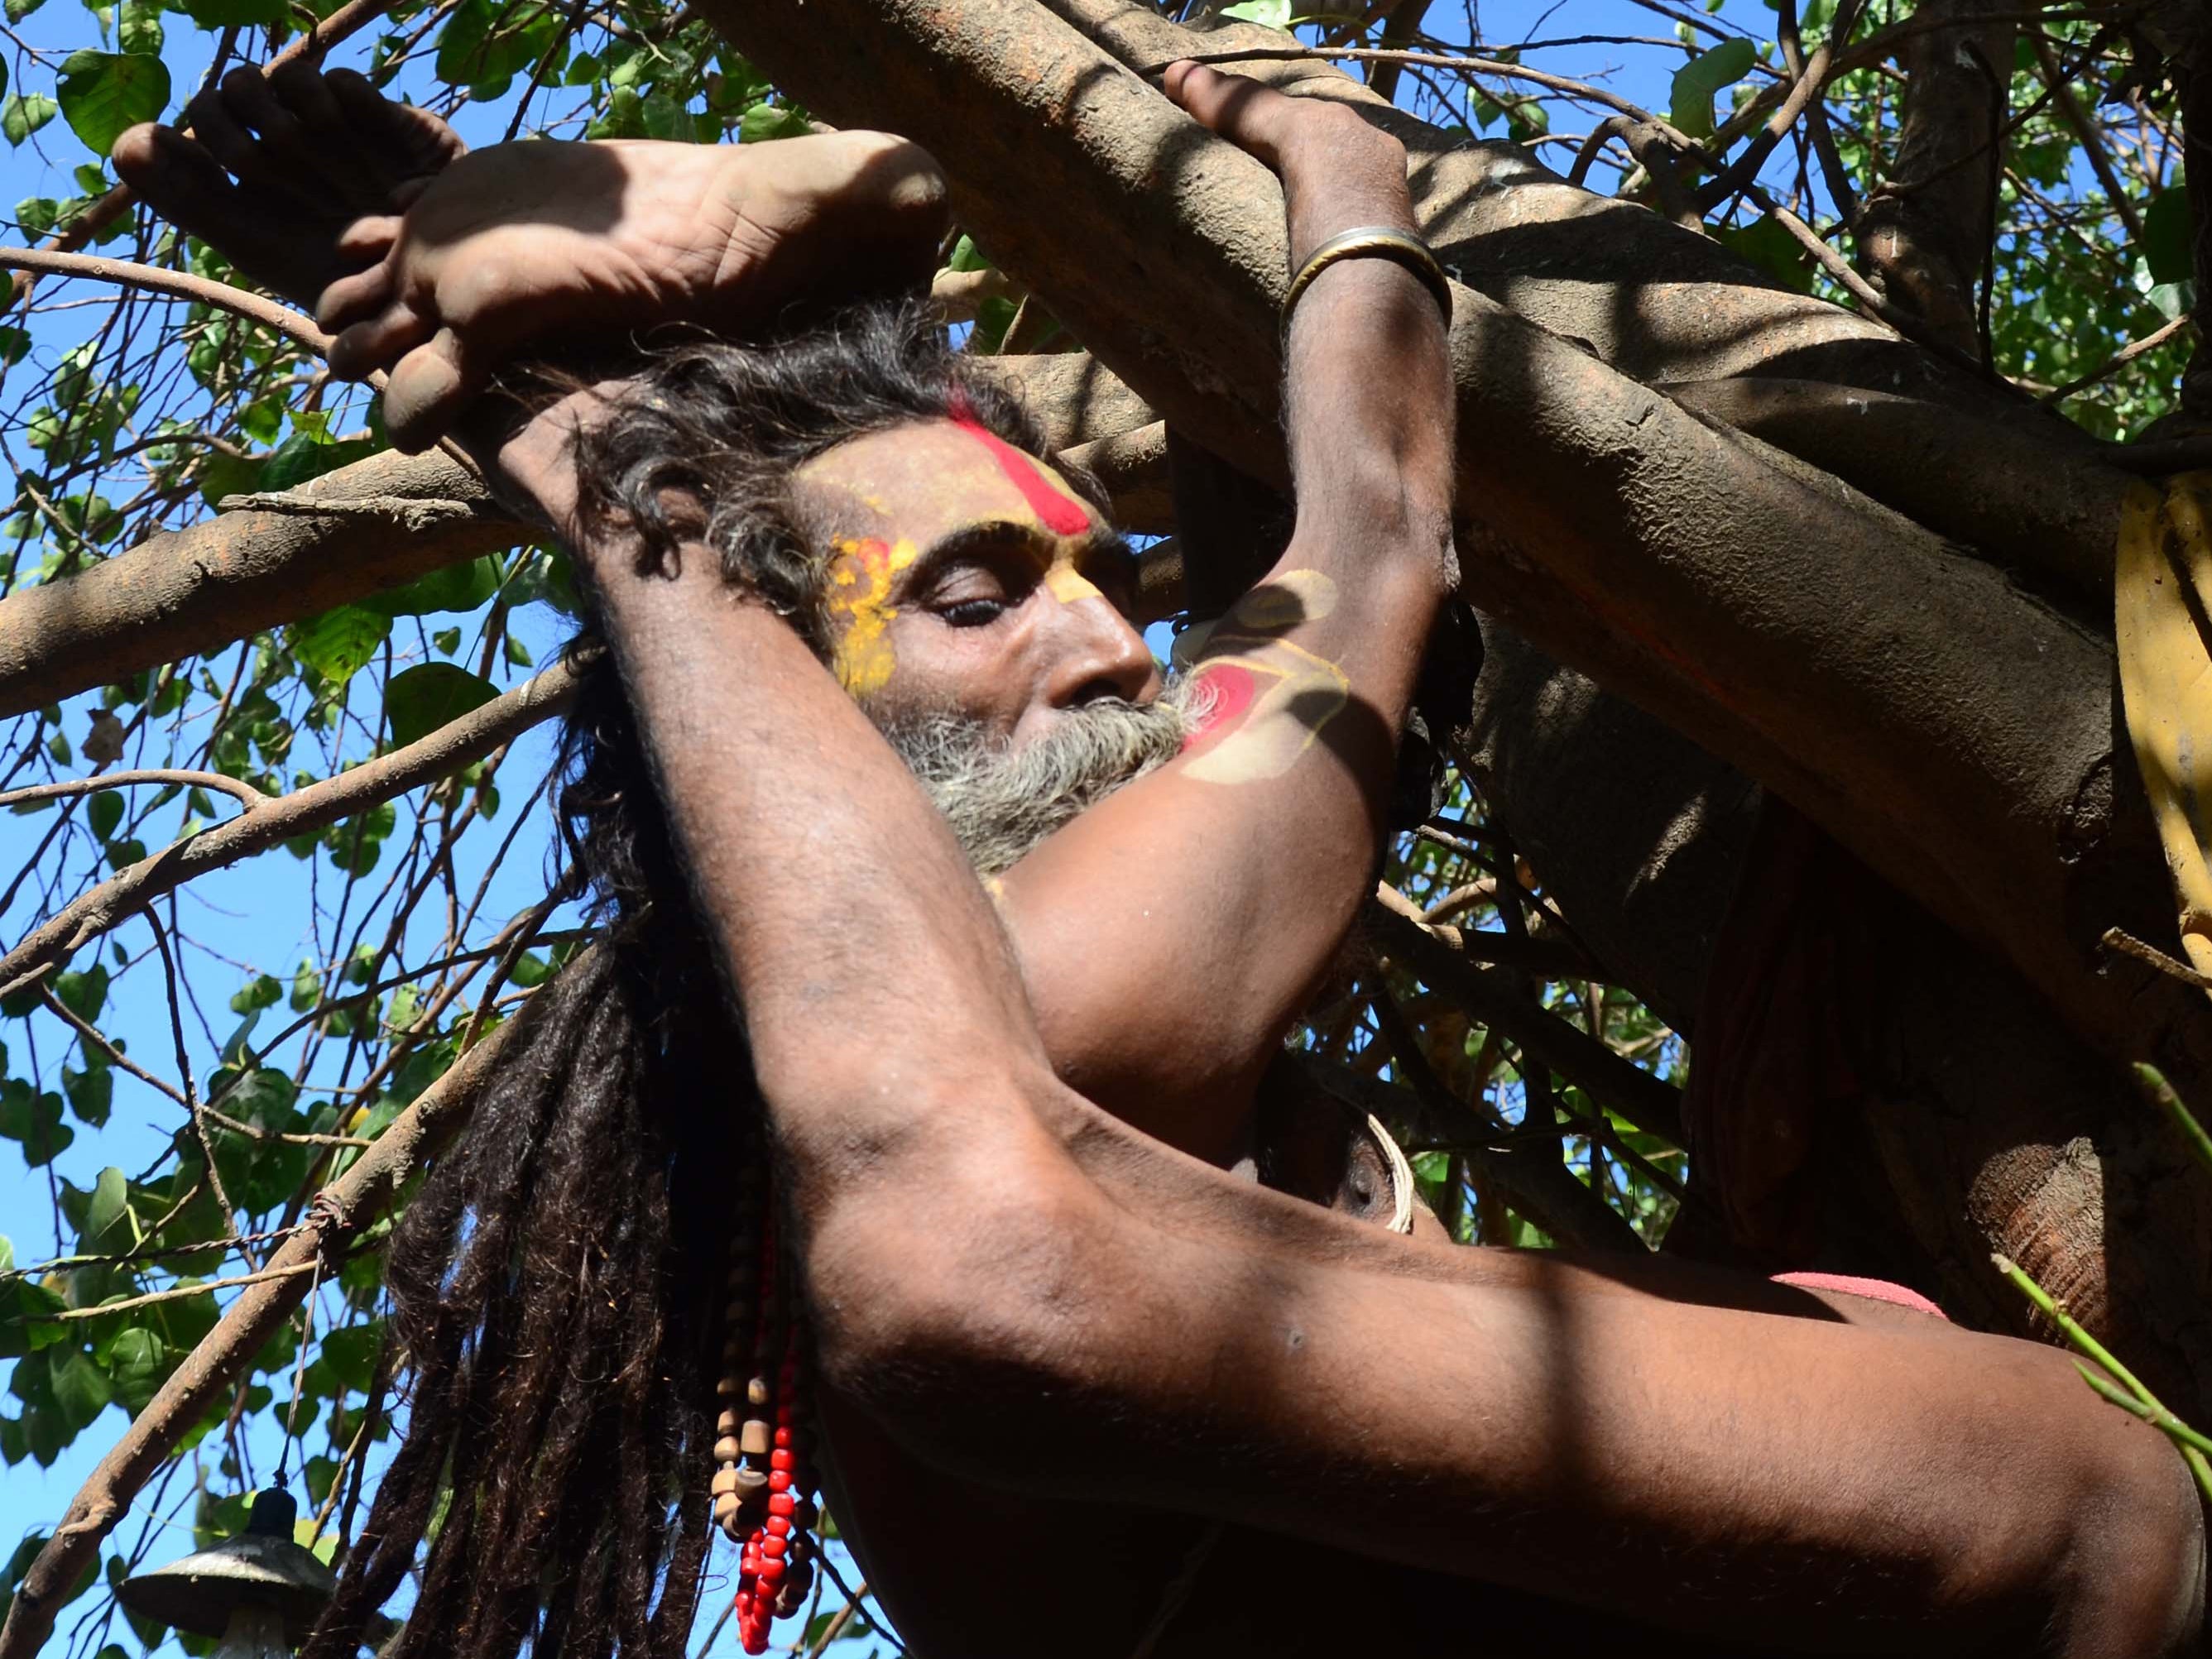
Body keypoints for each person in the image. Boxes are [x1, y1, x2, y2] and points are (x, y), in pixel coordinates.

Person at [115, 55, 2205, 1659]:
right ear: (788, 735)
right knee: (2108, 1499)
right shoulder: (1067, 971)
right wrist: (1336, 160)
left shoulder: (852, 1108)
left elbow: (1275, 563)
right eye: (974, 589)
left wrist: (856, 253)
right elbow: (1372, 531)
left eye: (1091, 570)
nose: (1117, 639)